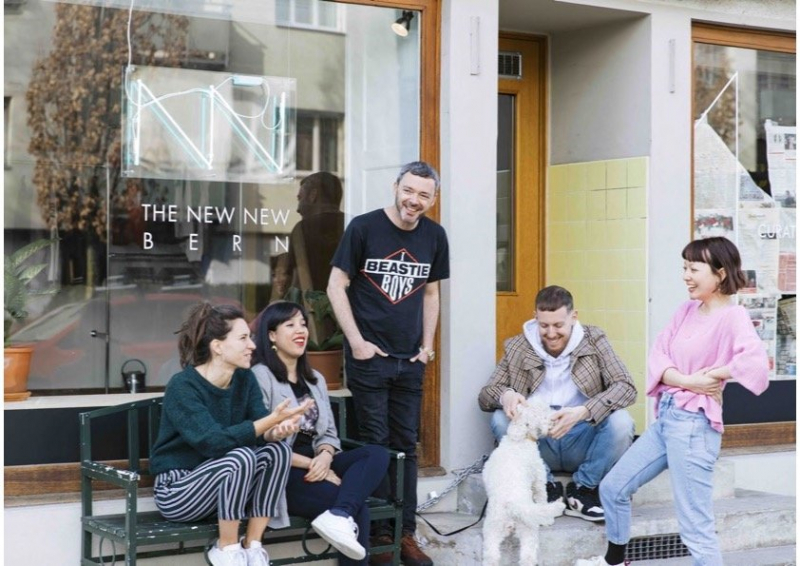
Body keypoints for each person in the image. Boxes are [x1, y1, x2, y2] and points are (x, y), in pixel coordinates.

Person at [576, 237, 769, 566]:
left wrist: (716, 373)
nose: (686, 276)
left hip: (694, 426)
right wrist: (688, 380)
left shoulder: (733, 317)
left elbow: (756, 364)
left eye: (694, 269)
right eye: (684, 268)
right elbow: (658, 355)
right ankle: (614, 561)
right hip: (667, 419)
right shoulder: (686, 310)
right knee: (612, 488)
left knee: (695, 526)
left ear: (720, 273)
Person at [327, 161, 449, 566]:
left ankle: (405, 533)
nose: (414, 200)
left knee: (406, 448)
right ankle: (379, 533)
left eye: (424, 195)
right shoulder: (363, 228)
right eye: (408, 190)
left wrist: (427, 347)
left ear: (433, 199)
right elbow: (336, 285)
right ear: (396, 186)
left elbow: (430, 294)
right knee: (376, 445)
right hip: (370, 359)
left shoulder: (435, 236)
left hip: (409, 361)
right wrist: (356, 342)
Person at [149, 302, 311, 566]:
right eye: (243, 338)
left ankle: (253, 546)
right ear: (218, 346)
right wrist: (270, 420)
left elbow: (259, 431)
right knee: (241, 456)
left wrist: (275, 431)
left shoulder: (245, 379)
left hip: (229, 490)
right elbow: (213, 443)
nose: (252, 346)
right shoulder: (183, 386)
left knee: (278, 451)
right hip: (180, 491)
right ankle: (226, 549)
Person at [478, 285, 636, 522]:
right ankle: (545, 485)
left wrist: (584, 411)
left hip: (582, 438)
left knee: (622, 421)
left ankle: (583, 489)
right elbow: (486, 394)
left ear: (574, 317)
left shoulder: (594, 340)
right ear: (535, 317)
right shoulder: (517, 346)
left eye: (558, 325)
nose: (551, 333)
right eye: (544, 326)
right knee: (500, 419)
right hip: (538, 445)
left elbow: (626, 386)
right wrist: (507, 395)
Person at [251, 301, 390, 565]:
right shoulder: (260, 376)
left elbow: (329, 434)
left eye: (303, 324)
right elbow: (259, 441)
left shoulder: (315, 378)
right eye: (290, 325)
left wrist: (325, 456)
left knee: (376, 454)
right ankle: (342, 513)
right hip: (282, 470)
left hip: (317, 461)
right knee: (357, 506)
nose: (300, 330)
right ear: (272, 335)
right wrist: (314, 466)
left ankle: (339, 515)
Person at [271, 172, 345, 302]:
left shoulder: (303, 230)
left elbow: (295, 282)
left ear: (312, 196)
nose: (298, 209)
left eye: (300, 198)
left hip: (316, 309)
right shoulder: (355, 226)